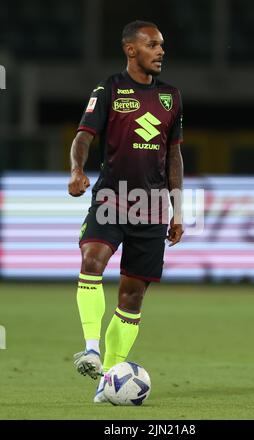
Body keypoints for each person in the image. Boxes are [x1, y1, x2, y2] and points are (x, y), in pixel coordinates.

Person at [68, 20, 184, 403]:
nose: (161, 51)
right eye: (152, 45)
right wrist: (77, 169)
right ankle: (90, 347)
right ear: (131, 50)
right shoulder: (109, 89)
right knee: (92, 258)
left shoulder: (172, 97)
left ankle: (108, 378)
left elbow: (173, 154)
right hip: (112, 196)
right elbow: (84, 135)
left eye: (162, 45)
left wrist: (177, 209)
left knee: (132, 296)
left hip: (151, 207)